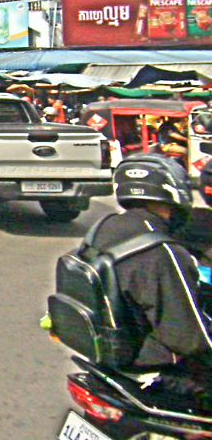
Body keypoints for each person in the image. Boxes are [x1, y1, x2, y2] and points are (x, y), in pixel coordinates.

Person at [89, 154, 212, 372]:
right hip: (158, 367)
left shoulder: (103, 227)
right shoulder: (163, 252)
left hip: (109, 349)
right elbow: (190, 339)